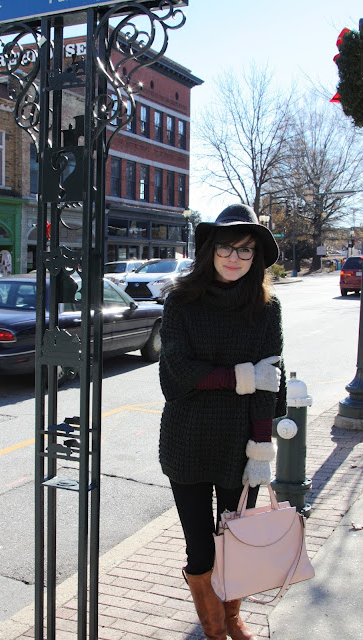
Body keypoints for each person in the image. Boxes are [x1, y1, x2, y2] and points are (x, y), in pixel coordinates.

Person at [159, 204, 286, 640]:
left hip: (240, 446)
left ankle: (232, 619)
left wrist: (261, 449)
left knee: (234, 544)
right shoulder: (180, 301)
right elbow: (175, 375)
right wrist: (244, 375)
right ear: (210, 250)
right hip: (187, 442)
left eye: (245, 250)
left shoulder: (268, 309)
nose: (234, 257)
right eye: (226, 247)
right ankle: (213, 629)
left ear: (256, 259)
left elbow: (271, 387)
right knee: (200, 546)